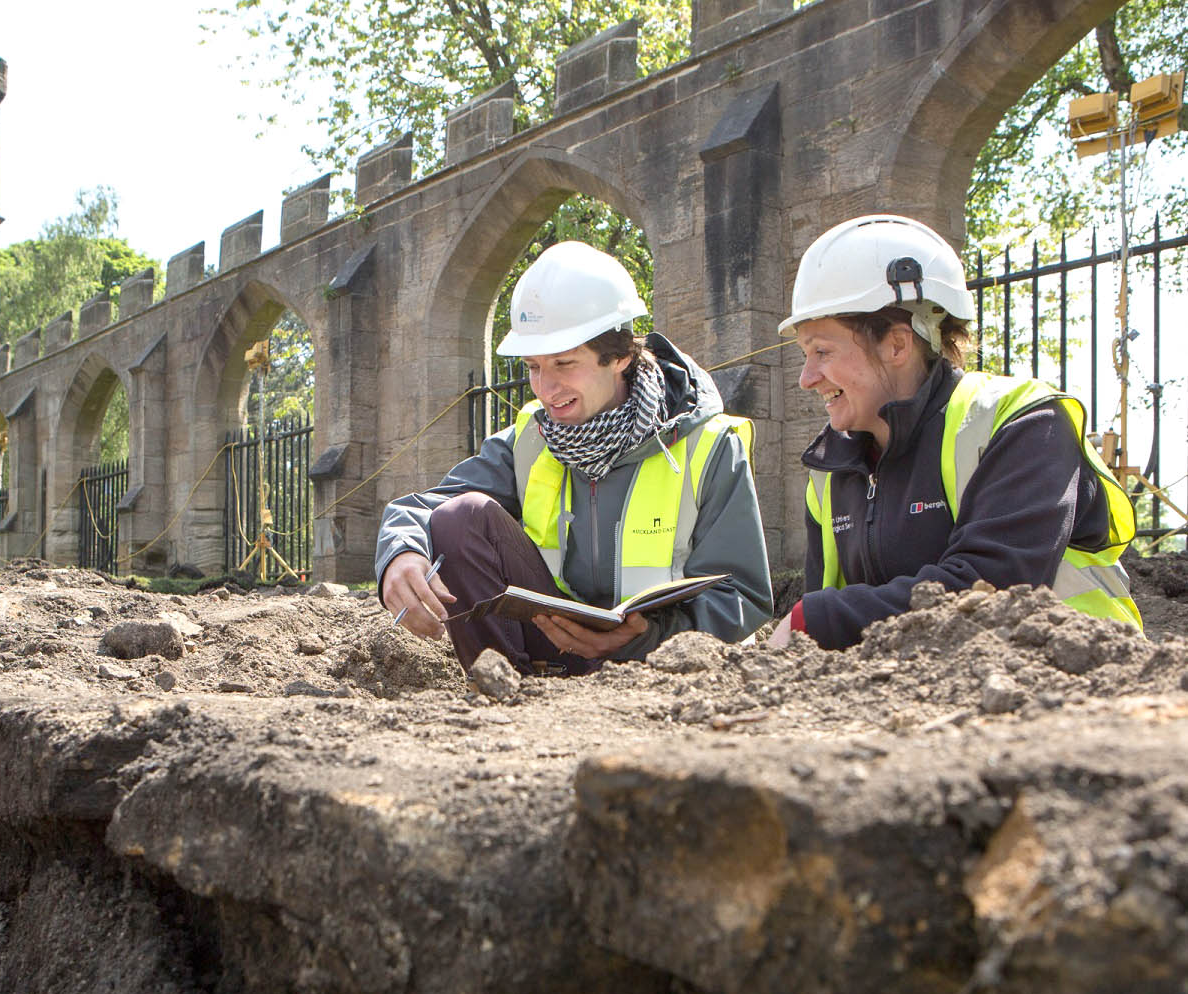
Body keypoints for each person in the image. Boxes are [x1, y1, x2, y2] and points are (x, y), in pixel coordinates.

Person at [376, 240, 773, 675]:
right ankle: (501, 692)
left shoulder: (711, 444)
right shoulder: (529, 438)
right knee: (461, 515)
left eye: (564, 363)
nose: (545, 389)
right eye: (533, 367)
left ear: (620, 355)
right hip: (556, 648)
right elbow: (423, 508)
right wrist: (401, 553)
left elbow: (743, 599)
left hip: (661, 668)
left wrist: (643, 638)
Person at [768, 214, 1141, 650]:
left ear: (897, 344)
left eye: (821, 351)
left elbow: (992, 592)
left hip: (1084, 696)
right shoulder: (829, 474)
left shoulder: (1022, 422)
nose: (806, 378)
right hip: (919, 706)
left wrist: (817, 619)